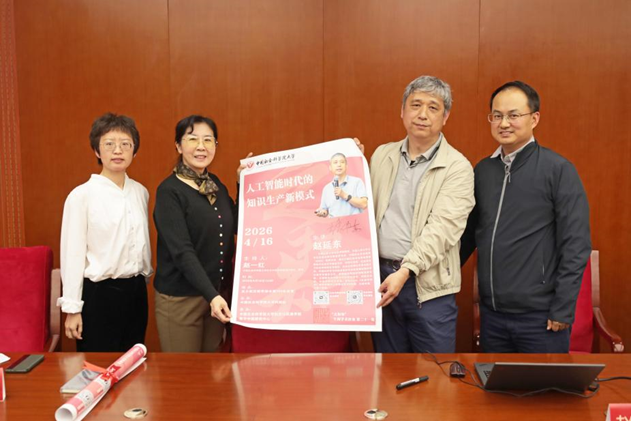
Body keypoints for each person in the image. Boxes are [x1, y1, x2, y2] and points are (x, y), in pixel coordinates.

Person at [460, 81, 591, 353]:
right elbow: (468, 236)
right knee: (491, 382)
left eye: (513, 115)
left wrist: (563, 308)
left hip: (541, 318)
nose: (504, 123)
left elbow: (576, 245)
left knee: (542, 383)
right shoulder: (483, 170)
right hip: (492, 316)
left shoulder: (558, 170)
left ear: (534, 118)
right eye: (497, 115)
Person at [370, 75, 475, 353]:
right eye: (416, 105)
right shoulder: (382, 155)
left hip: (428, 289)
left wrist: (406, 271)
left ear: (445, 116)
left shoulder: (457, 167)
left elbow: (442, 230)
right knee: (389, 370)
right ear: (402, 110)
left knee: (434, 373)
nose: (422, 114)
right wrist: (349, 162)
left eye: (433, 107)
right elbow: (360, 208)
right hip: (382, 281)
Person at [153, 115, 249, 352]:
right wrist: (212, 295)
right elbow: (182, 252)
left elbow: (237, 225)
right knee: (184, 373)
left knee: (213, 371)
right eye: (193, 139)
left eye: (208, 140)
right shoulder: (169, 192)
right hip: (181, 300)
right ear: (178, 145)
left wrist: (243, 183)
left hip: (215, 297)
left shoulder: (213, 183)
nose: (201, 146)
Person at [58, 113, 152, 352]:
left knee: (133, 363)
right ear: (97, 151)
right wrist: (72, 309)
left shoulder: (140, 192)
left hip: (136, 291)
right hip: (99, 295)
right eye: (109, 144)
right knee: (97, 366)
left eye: (125, 144)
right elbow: (72, 255)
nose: (117, 150)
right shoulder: (81, 195)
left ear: (134, 151)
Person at [315, 152, 368, 217]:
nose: (339, 165)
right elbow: (324, 210)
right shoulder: (327, 188)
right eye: (335, 162)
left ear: (346, 166)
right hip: (335, 222)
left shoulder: (357, 182)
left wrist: (344, 195)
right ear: (330, 168)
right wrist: (322, 212)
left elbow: (364, 204)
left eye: (342, 162)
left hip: (354, 222)